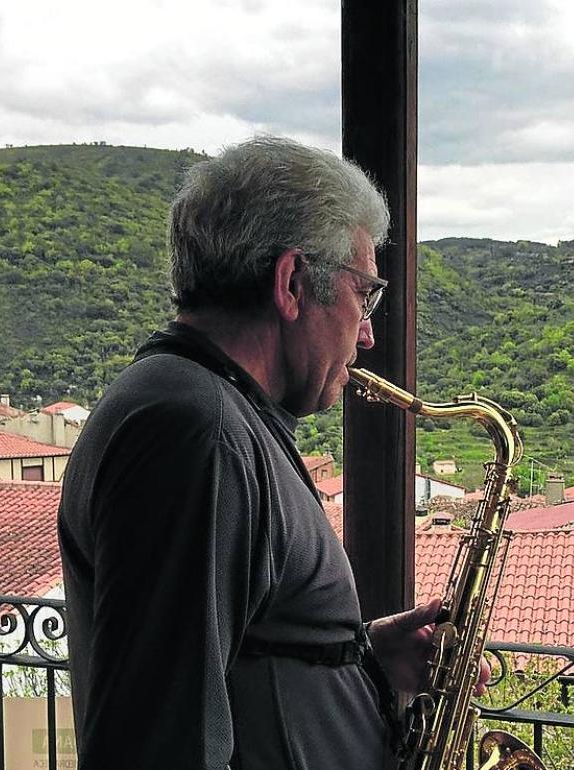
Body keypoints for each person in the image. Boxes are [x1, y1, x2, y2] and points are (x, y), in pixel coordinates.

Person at [58, 135, 440, 770]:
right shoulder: (201, 436)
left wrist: (360, 656)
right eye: (364, 295)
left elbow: (240, 661)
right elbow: (161, 747)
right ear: (292, 283)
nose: (369, 335)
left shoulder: (207, 410)